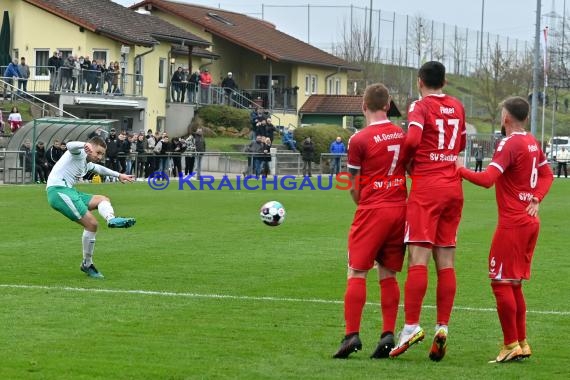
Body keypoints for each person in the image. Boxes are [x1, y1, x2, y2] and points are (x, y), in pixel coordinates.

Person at [456, 96, 553, 362]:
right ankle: (521, 342)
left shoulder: (510, 143)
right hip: (530, 222)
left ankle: (510, 344)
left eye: (502, 113)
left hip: (513, 224)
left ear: (507, 118)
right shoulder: (532, 141)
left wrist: (460, 171)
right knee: (514, 284)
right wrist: (536, 198)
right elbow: (547, 175)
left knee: (500, 283)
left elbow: (488, 179)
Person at [390, 61, 467, 361]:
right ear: (445, 81)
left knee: (418, 258)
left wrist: (406, 162)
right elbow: (459, 143)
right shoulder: (458, 106)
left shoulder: (419, 107)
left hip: (427, 187)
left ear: (419, 81)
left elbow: (411, 139)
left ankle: (410, 327)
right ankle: (442, 326)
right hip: (453, 187)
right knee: (446, 260)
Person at [333, 83, 407, 359]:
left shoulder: (359, 139)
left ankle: (351, 334)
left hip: (373, 208)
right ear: (388, 106)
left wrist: (364, 204)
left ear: (363, 106)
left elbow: (353, 185)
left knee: (357, 271)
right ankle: (388, 333)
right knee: (388, 273)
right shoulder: (401, 134)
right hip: (400, 208)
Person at [46, 137, 136, 278]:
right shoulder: (79, 152)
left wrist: (119, 175)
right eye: (98, 153)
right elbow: (70, 145)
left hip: (69, 191)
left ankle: (111, 219)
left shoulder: (86, 163)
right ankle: (87, 264)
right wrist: (85, 145)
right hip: (58, 191)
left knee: (103, 199)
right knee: (92, 224)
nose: (100, 157)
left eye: (102, 154)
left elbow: (99, 168)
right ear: (90, 148)